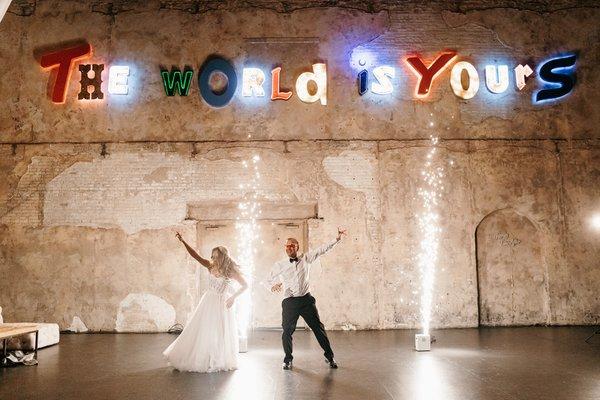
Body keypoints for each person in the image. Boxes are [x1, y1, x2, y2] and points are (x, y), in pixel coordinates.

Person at [163, 232, 248, 373]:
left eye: (216, 256)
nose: (213, 258)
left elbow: (245, 285)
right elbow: (195, 256)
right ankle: (205, 357)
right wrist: (183, 241)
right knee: (204, 329)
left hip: (222, 303)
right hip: (208, 302)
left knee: (219, 331)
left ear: (223, 256)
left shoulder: (230, 271)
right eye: (212, 256)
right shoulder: (210, 266)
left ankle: (217, 358)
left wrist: (233, 297)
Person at [268, 227, 347, 370]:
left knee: (318, 329)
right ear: (285, 248)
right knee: (286, 331)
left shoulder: (306, 258)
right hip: (290, 302)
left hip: (306, 301)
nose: (289, 248)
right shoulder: (280, 265)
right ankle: (288, 359)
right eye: (287, 246)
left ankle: (330, 357)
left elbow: (322, 249)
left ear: (297, 247)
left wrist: (337, 239)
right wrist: (273, 286)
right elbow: (268, 279)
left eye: (292, 245)